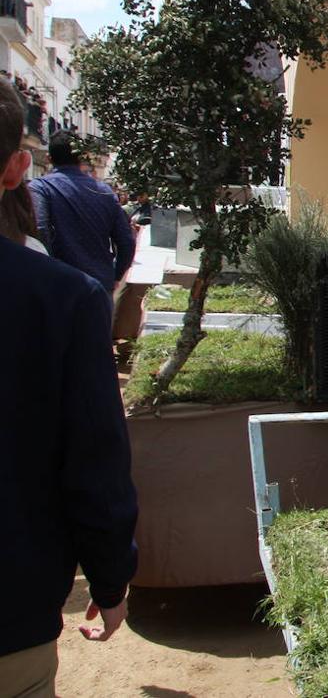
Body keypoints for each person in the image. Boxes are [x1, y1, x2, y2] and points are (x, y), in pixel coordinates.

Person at [0, 76, 139, 694]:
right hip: (12, 611)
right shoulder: (66, 290)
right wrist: (110, 577)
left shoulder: (49, 196)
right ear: (15, 168)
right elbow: (92, 456)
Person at [27, 130, 135, 293]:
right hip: (99, 285)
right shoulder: (104, 191)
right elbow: (126, 241)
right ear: (81, 157)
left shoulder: (41, 188)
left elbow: (40, 229)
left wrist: (48, 271)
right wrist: (115, 275)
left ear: (49, 158)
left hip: (58, 287)